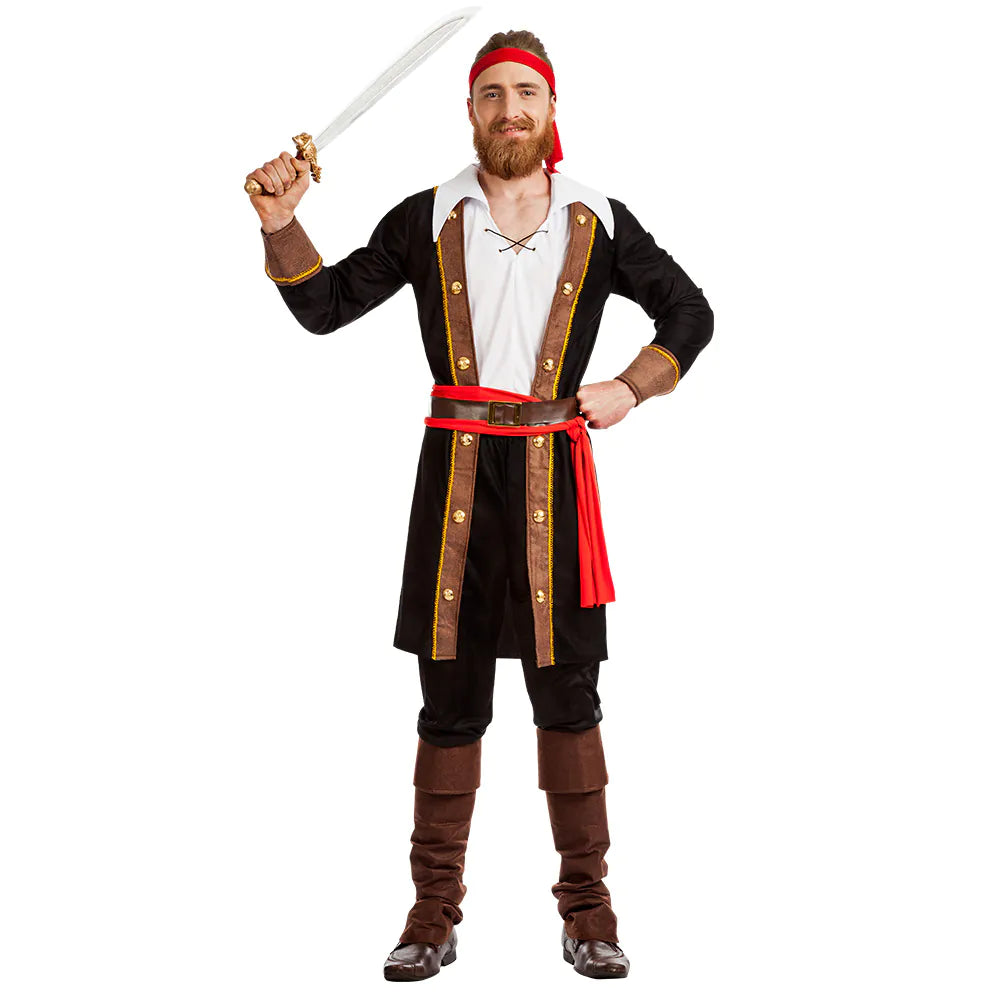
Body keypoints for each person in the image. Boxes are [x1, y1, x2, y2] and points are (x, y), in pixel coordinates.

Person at [246, 28, 713, 982]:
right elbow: (324, 305)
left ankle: (590, 911)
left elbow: (691, 312)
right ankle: (431, 916)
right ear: (469, 111)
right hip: (455, 486)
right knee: (449, 705)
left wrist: (631, 385)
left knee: (569, 699)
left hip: (554, 485)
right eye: (492, 94)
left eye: (525, 94)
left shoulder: (598, 218)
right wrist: (281, 225)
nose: (509, 110)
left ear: (552, 110)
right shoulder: (427, 216)